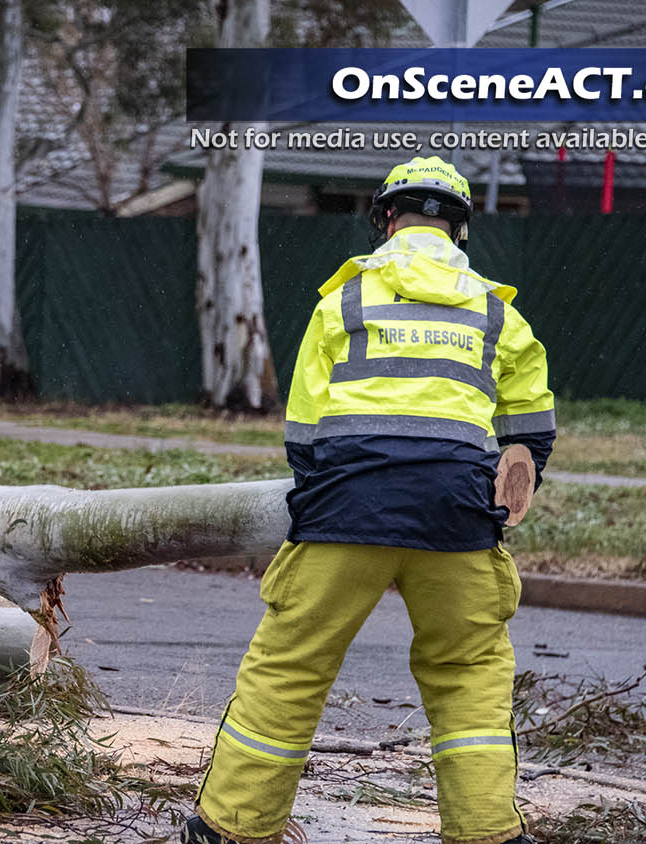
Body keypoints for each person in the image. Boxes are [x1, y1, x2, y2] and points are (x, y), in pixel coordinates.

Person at [184, 156, 555, 844]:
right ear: (462, 231)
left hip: (345, 512)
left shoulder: (344, 302)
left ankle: (231, 829)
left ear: (385, 220)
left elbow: (302, 433)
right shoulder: (496, 311)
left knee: (291, 667)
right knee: (468, 674)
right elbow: (529, 436)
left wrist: (334, 485)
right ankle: (486, 834)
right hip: (457, 517)